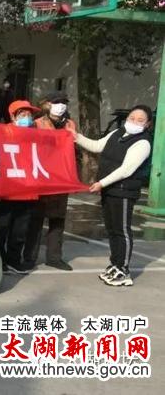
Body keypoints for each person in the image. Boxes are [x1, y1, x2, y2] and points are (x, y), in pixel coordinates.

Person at [68, 105, 153, 287]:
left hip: (124, 191)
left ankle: (123, 269)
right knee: (112, 229)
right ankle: (115, 263)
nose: (134, 122)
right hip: (109, 190)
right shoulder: (118, 133)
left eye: (140, 120)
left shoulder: (143, 143)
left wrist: (101, 183)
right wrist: (75, 136)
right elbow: (97, 146)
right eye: (132, 118)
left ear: (147, 124)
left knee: (122, 230)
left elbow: (126, 170)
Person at [23, 91, 76, 271]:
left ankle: (54, 257)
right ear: (47, 104)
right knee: (36, 220)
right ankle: (29, 257)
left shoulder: (70, 124)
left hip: (61, 176)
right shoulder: (37, 123)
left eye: (63, 102)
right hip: (41, 176)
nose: (60, 106)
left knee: (57, 219)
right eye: (56, 102)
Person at [0, 100, 41, 274]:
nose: (27, 118)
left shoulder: (36, 134)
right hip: (7, 191)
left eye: (29, 115)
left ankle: (14, 260)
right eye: (23, 114)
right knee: (2, 229)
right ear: (13, 117)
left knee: (20, 230)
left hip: (28, 190)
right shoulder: (2, 133)